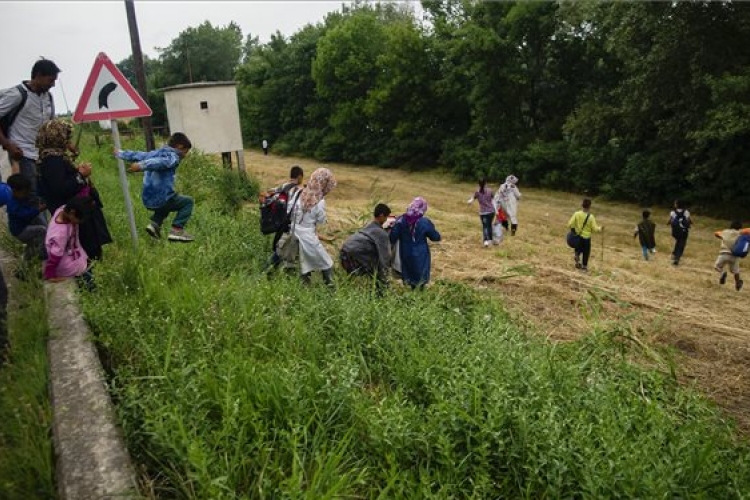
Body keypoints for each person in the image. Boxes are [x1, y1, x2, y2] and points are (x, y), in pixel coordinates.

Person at [36, 119, 112, 260]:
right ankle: (86, 278)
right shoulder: (52, 160)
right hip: (74, 214)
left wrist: (76, 171)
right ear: (57, 137)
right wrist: (80, 175)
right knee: (86, 252)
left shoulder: (52, 156)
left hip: (76, 211)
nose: (67, 139)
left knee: (87, 251)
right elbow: (59, 188)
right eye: (65, 135)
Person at [0, 59, 68, 191]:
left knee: (45, 194)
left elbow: (52, 124)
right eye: (51, 80)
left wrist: (67, 144)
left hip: (44, 155)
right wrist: (8, 145)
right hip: (23, 154)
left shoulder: (48, 97)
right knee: (30, 195)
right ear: (38, 76)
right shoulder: (17, 95)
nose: (53, 84)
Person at [116, 132, 194, 242]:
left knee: (164, 207)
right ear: (179, 147)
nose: (185, 155)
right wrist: (142, 166)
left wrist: (121, 153)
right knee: (188, 202)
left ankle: (154, 225)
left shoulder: (156, 153)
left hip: (148, 200)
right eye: (185, 152)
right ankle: (177, 230)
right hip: (162, 198)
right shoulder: (173, 156)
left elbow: (140, 155)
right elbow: (161, 162)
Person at [289, 167, 337, 285]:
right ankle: (331, 290)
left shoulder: (299, 192)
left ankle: (305, 288)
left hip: (293, 232)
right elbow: (321, 220)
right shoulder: (319, 201)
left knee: (304, 263)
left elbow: (289, 211)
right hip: (308, 237)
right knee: (327, 263)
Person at [44, 196, 95, 291]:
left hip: (73, 253)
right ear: (72, 213)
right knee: (88, 279)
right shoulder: (61, 233)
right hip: (66, 264)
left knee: (87, 267)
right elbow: (55, 255)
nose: (81, 222)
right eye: (80, 220)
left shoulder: (62, 209)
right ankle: (91, 291)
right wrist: (50, 274)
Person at [389, 197, 442, 289]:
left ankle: (410, 295)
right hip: (421, 253)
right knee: (421, 278)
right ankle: (419, 295)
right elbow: (435, 237)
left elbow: (392, 238)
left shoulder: (401, 221)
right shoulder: (424, 222)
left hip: (405, 251)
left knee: (408, 276)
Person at [340, 203, 392, 292]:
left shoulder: (368, 226)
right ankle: (380, 293)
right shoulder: (381, 233)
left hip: (344, 251)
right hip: (354, 255)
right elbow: (384, 258)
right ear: (381, 216)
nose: (386, 219)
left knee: (353, 277)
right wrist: (386, 275)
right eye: (386, 217)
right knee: (377, 269)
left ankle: (348, 292)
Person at [263, 165, 304, 273]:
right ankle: (267, 271)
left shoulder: (284, 186)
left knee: (281, 248)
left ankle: (271, 271)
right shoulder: (296, 189)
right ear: (299, 176)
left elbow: (268, 193)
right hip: (289, 224)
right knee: (281, 250)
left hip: (280, 222)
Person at [5, 174, 46, 268]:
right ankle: (41, 255)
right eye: (24, 192)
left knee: (31, 245)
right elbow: (24, 214)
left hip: (22, 227)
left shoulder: (19, 197)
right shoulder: (12, 202)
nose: (26, 194)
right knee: (42, 230)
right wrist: (38, 210)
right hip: (20, 230)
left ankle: (23, 267)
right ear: (14, 191)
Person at [714, 220, 750, 292]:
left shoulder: (725, 232)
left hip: (723, 253)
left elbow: (716, 233)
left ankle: (723, 273)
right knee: (735, 271)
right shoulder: (740, 233)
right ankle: (737, 282)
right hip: (734, 255)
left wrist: (722, 237)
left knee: (717, 266)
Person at [568, 198, 602, 272]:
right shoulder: (591, 217)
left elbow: (570, 224)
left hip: (578, 236)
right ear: (589, 206)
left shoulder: (577, 214)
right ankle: (584, 267)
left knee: (578, 249)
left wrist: (574, 231)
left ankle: (577, 257)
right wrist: (600, 228)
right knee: (586, 252)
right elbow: (595, 229)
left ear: (582, 205)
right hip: (586, 238)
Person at [467, 178, 495, 247]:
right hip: (491, 211)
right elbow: (494, 200)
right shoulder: (490, 190)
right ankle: (490, 240)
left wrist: (469, 202)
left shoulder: (477, 192)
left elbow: (472, 199)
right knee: (489, 225)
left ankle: (485, 240)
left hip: (483, 212)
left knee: (485, 226)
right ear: (486, 183)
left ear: (478, 184)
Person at [667, 200, 692, 266]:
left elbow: (670, 220)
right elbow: (689, 220)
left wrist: (668, 223)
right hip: (684, 231)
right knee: (682, 244)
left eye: (675, 203)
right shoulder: (686, 212)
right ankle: (677, 258)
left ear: (677, 205)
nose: (674, 204)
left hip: (676, 231)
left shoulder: (672, 212)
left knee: (678, 241)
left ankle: (674, 254)